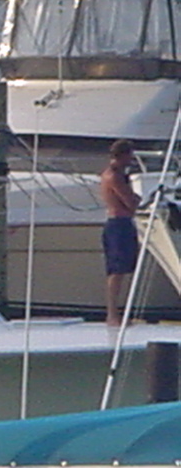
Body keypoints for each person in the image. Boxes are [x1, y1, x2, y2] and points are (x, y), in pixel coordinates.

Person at [100, 138, 142, 327]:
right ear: (123, 155)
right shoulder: (114, 176)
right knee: (116, 271)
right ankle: (112, 314)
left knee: (122, 269)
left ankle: (117, 312)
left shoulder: (113, 174)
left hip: (120, 222)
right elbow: (130, 201)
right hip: (119, 223)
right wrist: (137, 198)